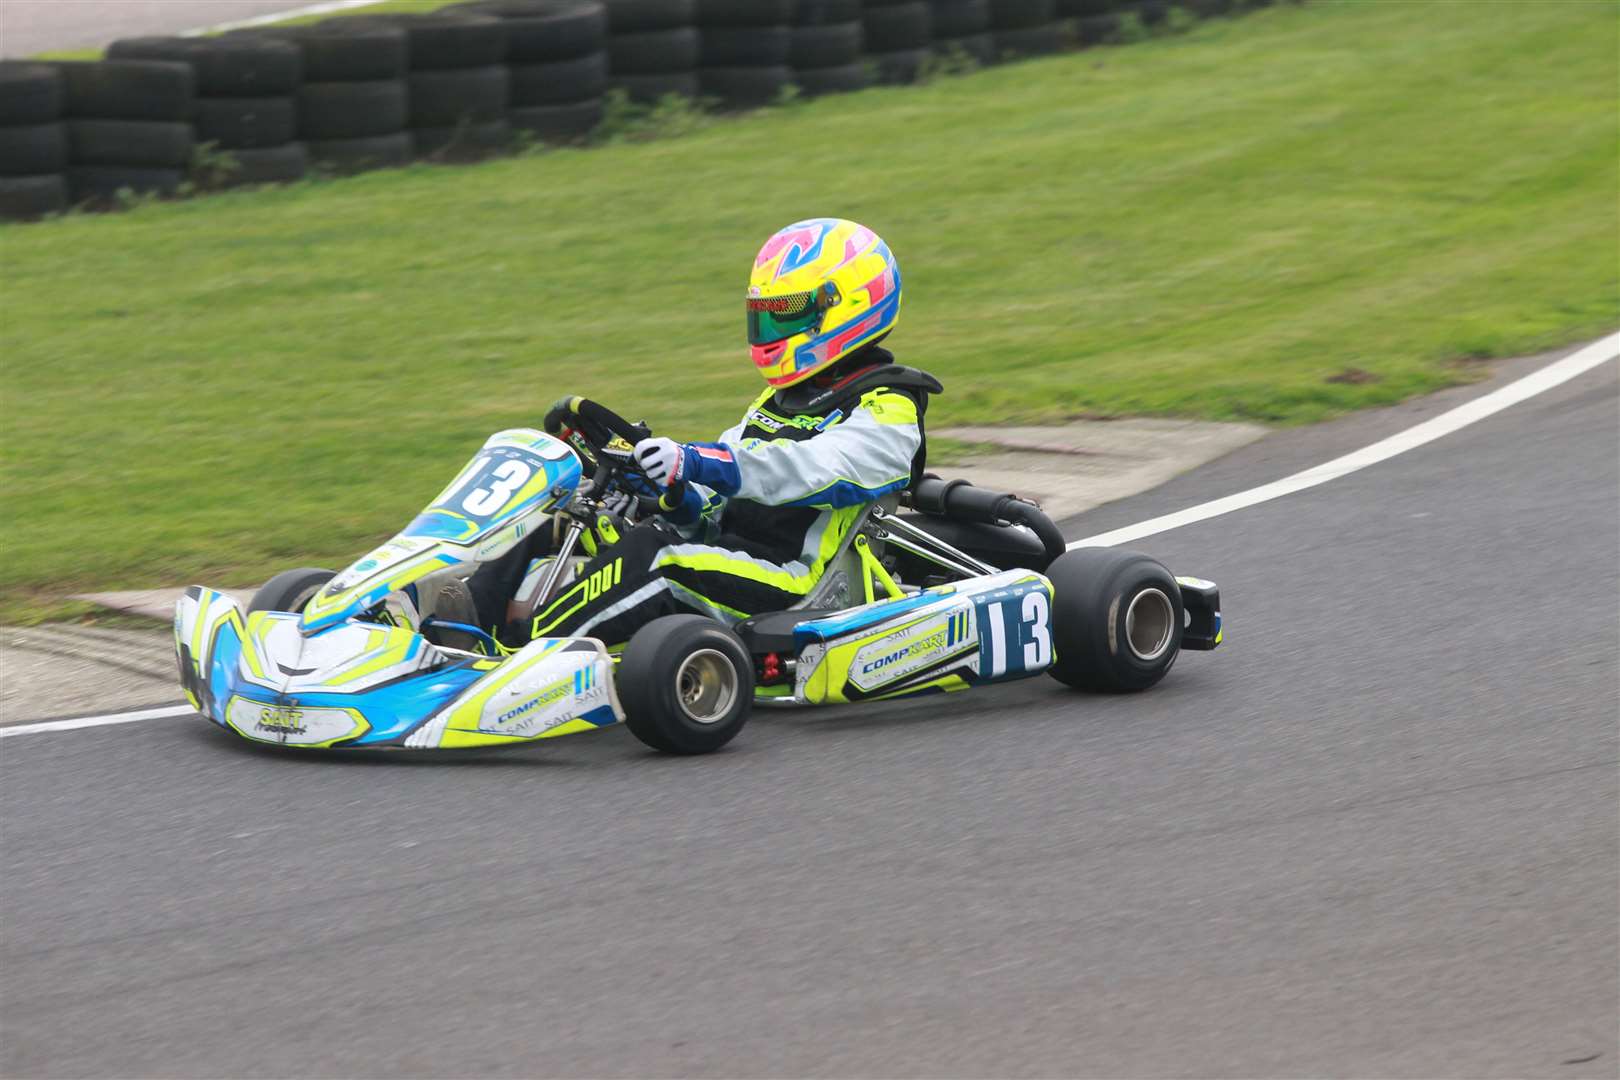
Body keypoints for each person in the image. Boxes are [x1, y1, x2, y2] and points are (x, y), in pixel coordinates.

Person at [467, 217, 941, 650]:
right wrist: (666, 486)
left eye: (787, 313)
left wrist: (696, 460)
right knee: (565, 509)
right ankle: (459, 628)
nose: (771, 327)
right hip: (731, 552)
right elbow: (715, 502)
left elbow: (811, 473)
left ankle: (518, 654)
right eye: (766, 313)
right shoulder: (783, 397)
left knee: (659, 553)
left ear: (847, 306)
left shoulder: (888, 409)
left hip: (795, 581)